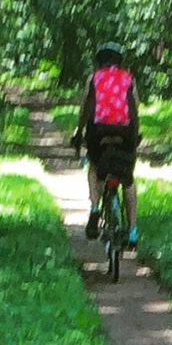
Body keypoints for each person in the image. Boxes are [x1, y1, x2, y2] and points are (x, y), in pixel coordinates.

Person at [71, 41, 140, 247]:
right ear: (119, 61)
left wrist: (79, 131)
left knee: (94, 167)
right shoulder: (129, 79)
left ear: (99, 61)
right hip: (125, 132)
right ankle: (133, 230)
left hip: (98, 131)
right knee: (127, 179)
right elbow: (135, 107)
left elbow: (85, 107)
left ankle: (94, 209)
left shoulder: (93, 78)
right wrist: (135, 134)